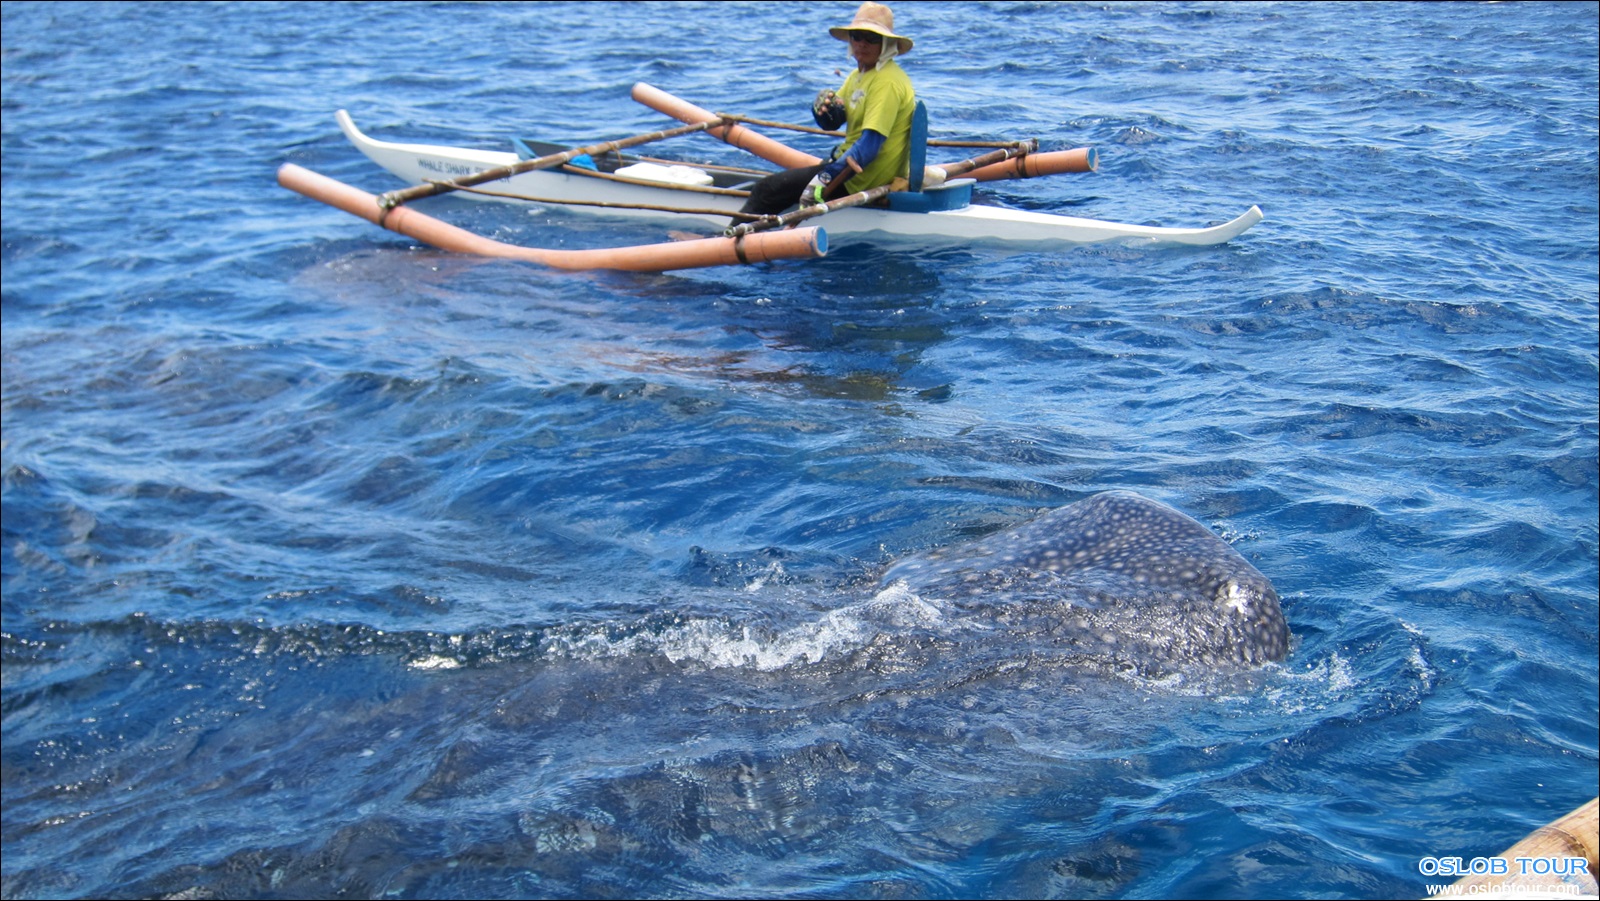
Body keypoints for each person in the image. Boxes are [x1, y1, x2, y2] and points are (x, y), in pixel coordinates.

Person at [735, 2, 917, 220]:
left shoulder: (887, 82)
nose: (862, 44)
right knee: (775, 187)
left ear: (886, 44)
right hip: (851, 169)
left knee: (766, 190)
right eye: (857, 36)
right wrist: (823, 109)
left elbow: (869, 147)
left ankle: (725, 245)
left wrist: (825, 178)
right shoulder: (859, 75)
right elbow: (832, 123)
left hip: (862, 178)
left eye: (872, 38)